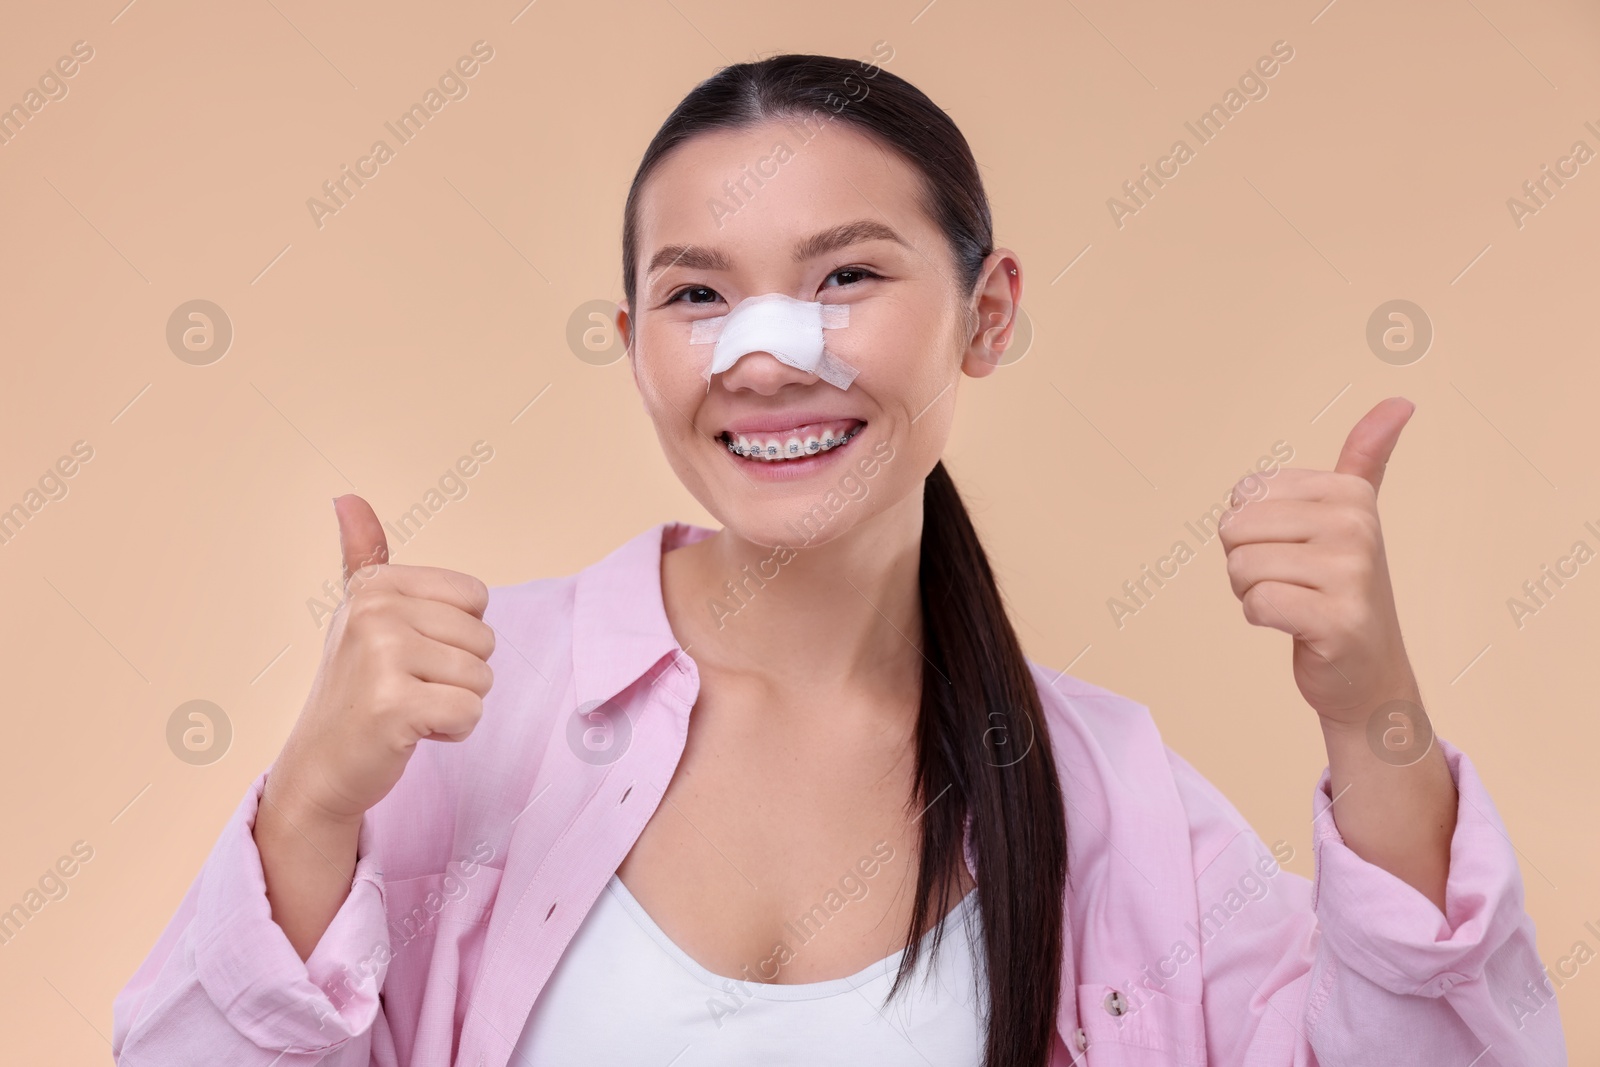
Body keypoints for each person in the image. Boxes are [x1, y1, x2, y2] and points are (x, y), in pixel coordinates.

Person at [111, 53, 1566, 1066]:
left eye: (846, 276)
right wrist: (305, 809)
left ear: (987, 314)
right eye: (698, 294)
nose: (767, 355)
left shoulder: (1108, 793)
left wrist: (1372, 712)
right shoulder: (454, 722)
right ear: (632, 348)